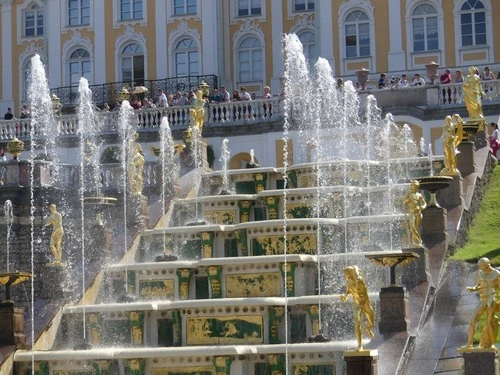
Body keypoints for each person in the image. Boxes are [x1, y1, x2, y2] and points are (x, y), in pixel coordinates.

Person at [462, 258, 500, 349]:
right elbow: (478, 286)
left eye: (482, 267)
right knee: (472, 320)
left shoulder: (497, 274)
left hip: (492, 298)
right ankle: (469, 344)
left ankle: (492, 344)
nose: (480, 268)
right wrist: (473, 289)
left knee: (489, 322)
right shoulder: (480, 273)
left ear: (487, 265)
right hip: (482, 299)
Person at [340, 266, 375, 351]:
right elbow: (348, 293)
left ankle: (368, 328)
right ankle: (360, 345)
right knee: (357, 324)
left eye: (346, 274)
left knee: (372, 322)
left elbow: (358, 285)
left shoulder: (360, 281)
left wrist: (354, 269)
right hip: (357, 304)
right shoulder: (349, 282)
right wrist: (344, 297)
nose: (345, 276)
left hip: (366, 303)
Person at [402, 180, 427, 246]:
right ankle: (419, 241)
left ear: (417, 187)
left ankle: (413, 242)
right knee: (412, 228)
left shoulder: (419, 195)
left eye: (415, 186)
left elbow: (424, 203)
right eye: (413, 186)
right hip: (411, 213)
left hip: (418, 213)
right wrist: (407, 200)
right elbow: (403, 202)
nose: (414, 187)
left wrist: (422, 207)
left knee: (415, 228)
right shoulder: (409, 194)